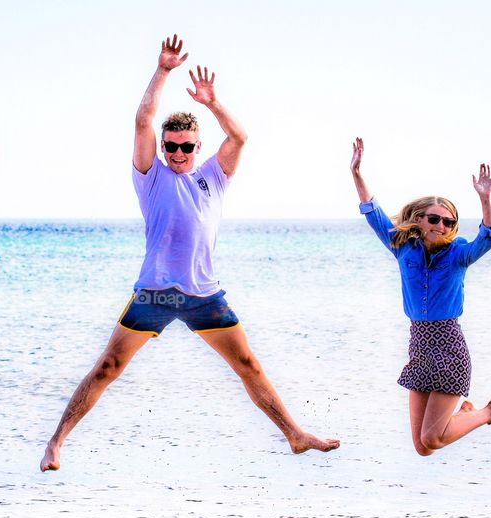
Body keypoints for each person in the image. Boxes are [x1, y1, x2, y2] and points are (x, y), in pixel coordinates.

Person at [40, 35, 340, 472]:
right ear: (164, 149)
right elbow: (143, 120)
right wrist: (163, 71)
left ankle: (294, 434)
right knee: (107, 366)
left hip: (203, 295)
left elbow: (240, 136)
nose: (178, 153)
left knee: (248, 365)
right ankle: (56, 442)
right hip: (156, 293)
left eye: (186, 146)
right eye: (172, 146)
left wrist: (214, 103)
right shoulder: (151, 176)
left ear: (198, 149)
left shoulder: (214, 177)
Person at [349, 137, 491, 456]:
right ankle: (470, 413)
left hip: (448, 347)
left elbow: (486, 240)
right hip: (418, 344)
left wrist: (485, 200)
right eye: (434, 218)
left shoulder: (458, 254)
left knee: (432, 439)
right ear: (419, 219)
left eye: (448, 221)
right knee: (423, 448)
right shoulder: (402, 247)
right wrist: (357, 173)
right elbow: (373, 213)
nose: (442, 225)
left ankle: (490, 411)